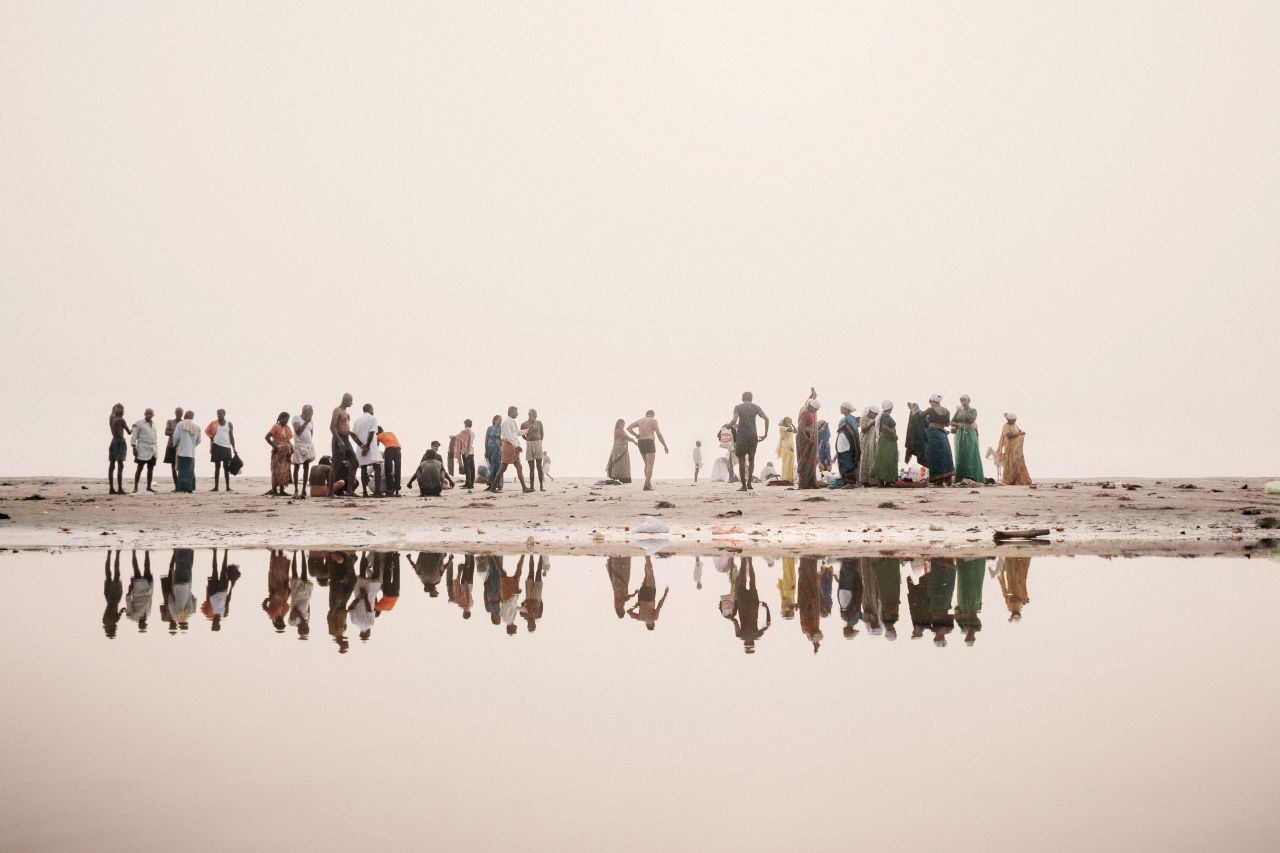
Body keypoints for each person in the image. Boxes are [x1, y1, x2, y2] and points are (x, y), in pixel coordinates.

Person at [725, 556, 771, 654]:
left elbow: (768, 624)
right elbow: (735, 622)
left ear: (753, 644)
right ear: (745, 644)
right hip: (742, 606)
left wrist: (766, 608)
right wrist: (730, 617)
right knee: (742, 582)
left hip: (753, 606)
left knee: (753, 583)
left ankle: (750, 561)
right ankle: (743, 560)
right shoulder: (740, 635)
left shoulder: (757, 635)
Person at [728, 392, 770, 489]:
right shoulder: (756, 407)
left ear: (742, 398)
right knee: (752, 459)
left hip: (742, 435)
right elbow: (766, 419)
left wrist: (728, 425)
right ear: (751, 398)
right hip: (753, 435)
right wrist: (765, 435)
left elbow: (734, 421)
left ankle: (743, 486)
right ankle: (749, 483)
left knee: (741, 460)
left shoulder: (738, 407)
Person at [488, 406, 531, 493]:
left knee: (511, 467)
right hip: (509, 446)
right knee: (505, 467)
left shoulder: (511, 421)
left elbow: (516, 433)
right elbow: (508, 436)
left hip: (512, 446)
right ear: (510, 412)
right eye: (516, 412)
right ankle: (524, 488)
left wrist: (527, 430)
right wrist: (516, 446)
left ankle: (524, 488)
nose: (517, 414)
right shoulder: (507, 422)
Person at [626, 410, 669, 491]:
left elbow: (628, 428)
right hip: (649, 441)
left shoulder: (640, 420)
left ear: (646, 414)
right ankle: (646, 485)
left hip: (641, 442)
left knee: (646, 464)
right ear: (653, 415)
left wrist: (636, 435)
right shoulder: (653, 421)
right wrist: (665, 445)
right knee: (650, 465)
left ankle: (648, 484)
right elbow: (659, 434)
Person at [626, 555, 669, 630]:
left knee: (650, 574)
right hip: (642, 597)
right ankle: (646, 557)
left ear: (653, 624)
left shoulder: (654, 618)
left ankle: (647, 556)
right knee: (647, 575)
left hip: (650, 596)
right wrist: (636, 605)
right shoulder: (640, 618)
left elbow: (659, 605)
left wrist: (665, 594)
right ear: (646, 624)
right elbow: (629, 611)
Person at [350, 403, 383, 496]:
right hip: (371, 446)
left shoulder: (357, 421)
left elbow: (353, 435)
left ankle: (364, 492)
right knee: (377, 467)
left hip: (361, 448)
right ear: (371, 409)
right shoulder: (373, 418)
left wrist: (361, 445)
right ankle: (377, 491)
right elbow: (372, 432)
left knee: (363, 468)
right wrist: (368, 445)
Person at [951, 395, 984, 483]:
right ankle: (961, 477)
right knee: (961, 454)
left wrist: (966, 410)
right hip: (960, 434)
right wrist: (958, 425)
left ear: (969, 400)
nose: (963, 402)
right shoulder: (958, 411)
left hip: (969, 434)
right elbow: (951, 421)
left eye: (964, 400)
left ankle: (973, 476)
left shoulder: (973, 410)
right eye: (961, 401)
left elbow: (972, 419)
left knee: (970, 453)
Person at [924, 394, 955, 486]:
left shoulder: (930, 410)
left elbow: (919, 415)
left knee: (934, 455)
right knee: (946, 454)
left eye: (931, 402)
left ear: (933, 401)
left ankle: (938, 480)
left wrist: (915, 410)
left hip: (933, 433)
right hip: (942, 433)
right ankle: (948, 479)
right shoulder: (947, 411)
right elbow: (947, 424)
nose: (930, 404)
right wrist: (941, 425)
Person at [995, 413, 1033, 485]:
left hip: (1016, 449)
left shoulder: (1015, 425)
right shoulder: (1005, 426)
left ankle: (1017, 479)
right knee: (1010, 463)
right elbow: (1009, 436)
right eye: (1013, 420)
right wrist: (1018, 434)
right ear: (1009, 420)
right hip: (1009, 448)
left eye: (1015, 420)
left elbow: (1019, 431)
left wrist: (1021, 432)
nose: (1014, 422)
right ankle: (1009, 479)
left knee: (1017, 462)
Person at [205, 409, 237, 492]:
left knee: (226, 468)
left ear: (224, 414)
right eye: (217, 414)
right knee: (217, 467)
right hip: (216, 446)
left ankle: (227, 487)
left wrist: (234, 448)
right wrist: (211, 437)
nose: (218, 415)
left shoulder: (229, 424)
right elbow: (206, 430)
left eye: (220, 414)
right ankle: (216, 487)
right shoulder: (214, 423)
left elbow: (231, 436)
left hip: (226, 447)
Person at [170, 410, 202, 492]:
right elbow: (199, 441)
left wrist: (176, 444)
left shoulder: (180, 424)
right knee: (190, 470)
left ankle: (182, 488)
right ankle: (190, 487)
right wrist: (193, 446)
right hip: (191, 452)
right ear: (193, 417)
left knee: (182, 471)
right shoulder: (197, 427)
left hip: (182, 451)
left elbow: (176, 437)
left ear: (184, 416)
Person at [870, 401, 899, 486]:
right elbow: (884, 427)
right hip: (887, 439)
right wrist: (894, 434)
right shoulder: (885, 415)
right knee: (887, 459)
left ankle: (884, 481)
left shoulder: (883, 415)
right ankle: (886, 481)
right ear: (890, 407)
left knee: (884, 458)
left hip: (887, 439)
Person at [263, 412, 293, 496]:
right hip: (278, 453)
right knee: (276, 470)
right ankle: (274, 490)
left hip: (285, 454)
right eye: (285, 419)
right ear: (280, 418)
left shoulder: (287, 427)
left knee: (284, 471)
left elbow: (287, 440)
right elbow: (267, 437)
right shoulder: (276, 426)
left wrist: (292, 448)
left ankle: (282, 491)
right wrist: (275, 446)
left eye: (287, 419)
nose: (286, 421)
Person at [796, 389, 820, 489]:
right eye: (814, 410)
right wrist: (808, 440)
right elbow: (800, 428)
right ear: (810, 407)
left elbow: (808, 400)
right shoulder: (805, 413)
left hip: (809, 438)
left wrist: (812, 396)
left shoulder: (808, 406)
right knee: (805, 461)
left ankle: (811, 482)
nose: (815, 412)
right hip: (804, 439)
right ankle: (804, 483)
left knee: (812, 461)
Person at [290, 405, 317, 499]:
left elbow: (311, 432)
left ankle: (304, 490)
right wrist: (306, 422)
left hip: (308, 446)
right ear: (305, 411)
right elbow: (297, 432)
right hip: (298, 445)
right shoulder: (296, 418)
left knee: (306, 466)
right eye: (311, 411)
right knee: (296, 466)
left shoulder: (311, 421)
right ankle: (296, 489)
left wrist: (308, 441)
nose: (312, 413)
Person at [130, 408, 158, 493]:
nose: (148, 415)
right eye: (147, 413)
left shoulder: (154, 424)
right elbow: (134, 436)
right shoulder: (139, 423)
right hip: (142, 447)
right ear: (144, 414)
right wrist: (134, 447)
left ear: (153, 415)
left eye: (150, 413)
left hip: (153, 448)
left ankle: (149, 487)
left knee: (150, 468)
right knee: (140, 468)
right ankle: (135, 487)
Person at [834, 402, 860, 487]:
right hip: (843, 443)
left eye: (841, 408)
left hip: (847, 443)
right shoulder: (847, 418)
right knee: (843, 460)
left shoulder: (850, 418)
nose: (840, 409)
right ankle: (846, 482)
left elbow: (854, 432)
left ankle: (850, 482)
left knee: (847, 461)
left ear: (846, 409)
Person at [107, 403, 130, 494]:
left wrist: (114, 407)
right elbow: (129, 432)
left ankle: (111, 488)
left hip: (113, 441)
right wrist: (134, 428)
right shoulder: (121, 420)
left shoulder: (111, 419)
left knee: (112, 465)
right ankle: (120, 488)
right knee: (120, 465)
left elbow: (112, 413)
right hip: (120, 442)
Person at [522, 409, 547, 492]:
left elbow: (542, 434)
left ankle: (541, 486)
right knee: (531, 467)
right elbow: (523, 435)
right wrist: (529, 439)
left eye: (536, 414)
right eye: (534, 414)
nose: (536, 416)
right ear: (529, 414)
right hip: (529, 444)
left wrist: (537, 440)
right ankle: (532, 486)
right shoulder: (524, 424)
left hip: (538, 443)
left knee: (539, 466)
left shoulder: (539, 423)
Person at [102, 550, 124, 638]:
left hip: (115, 598)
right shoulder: (104, 621)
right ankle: (109, 553)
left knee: (117, 575)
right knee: (108, 574)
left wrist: (125, 610)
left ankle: (118, 553)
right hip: (107, 597)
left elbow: (121, 610)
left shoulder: (114, 621)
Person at [903, 402, 929, 472]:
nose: (910, 408)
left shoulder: (920, 413)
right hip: (913, 438)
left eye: (911, 407)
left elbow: (927, 423)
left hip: (920, 437)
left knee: (922, 455)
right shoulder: (911, 415)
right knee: (918, 454)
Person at [606, 418, 635, 483]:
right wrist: (633, 440)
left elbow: (627, 437)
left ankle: (624, 478)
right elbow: (626, 437)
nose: (623, 426)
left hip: (623, 450)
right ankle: (616, 477)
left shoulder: (622, 431)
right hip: (618, 450)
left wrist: (634, 441)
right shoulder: (617, 431)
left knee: (624, 463)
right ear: (618, 424)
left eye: (623, 425)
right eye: (622, 424)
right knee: (618, 463)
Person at [377, 426, 402, 496]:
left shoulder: (378, 436)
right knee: (398, 470)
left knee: (388, 470)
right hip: (398, 449)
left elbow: (376, 447)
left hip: (389, 449)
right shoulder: (391, 433)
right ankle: (397, 490)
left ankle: (390, 489)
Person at [163, 406, 183, 490]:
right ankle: (176, 486)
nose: (178, 413)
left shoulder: (184, 423)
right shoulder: (170, 422)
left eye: (180, 412)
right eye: (177, 412)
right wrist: (177, 433)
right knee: (173, 467)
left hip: (181, 447)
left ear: (182, 413)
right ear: (175, 413)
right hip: (171, 446)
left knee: (181, 467)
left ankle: (182, 485)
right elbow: (166, 432)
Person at [858, 405, 879, 486]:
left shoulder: (874, 419)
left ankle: (872, 481)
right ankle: (865, 481)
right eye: (874, 414)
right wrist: (871, 423)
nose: (875, 415)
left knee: (871, 459)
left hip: (872, 442)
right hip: (865, 441)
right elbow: (863, 429)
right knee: (865, 459)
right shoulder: (864, 418)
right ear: (869, 412)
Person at [484, 415, 504, 490]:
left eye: (501, 420)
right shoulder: (489, 428)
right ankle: (491, 484)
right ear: (494, 420)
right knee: (490, 467)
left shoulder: (501, 429)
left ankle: (499, 485)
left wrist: (498, 436)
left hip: (498, 449)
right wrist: (486, 451)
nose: (500, 421)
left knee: (498, 466)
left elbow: (503, 440)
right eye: (499, 419)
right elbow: (486, 440)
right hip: (490, 449)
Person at [456, 419, 476, 489]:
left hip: (465, 451)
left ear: (466, 424)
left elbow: (457, 436)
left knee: (467, 468)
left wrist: (452, 436)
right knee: (472, 468)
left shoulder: (465, 431)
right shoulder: (473, 432)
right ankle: (471, 483)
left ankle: (468, 484)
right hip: (471, 451)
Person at [776, 417, 796, 483]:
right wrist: (789, 424)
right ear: (784, 422)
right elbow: (790, 430)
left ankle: (790, 479)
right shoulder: (782, 427)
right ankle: (785, 478)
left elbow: (796, 431)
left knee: (791, 463)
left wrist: (792, 424)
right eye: (788, 421)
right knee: (786, 463)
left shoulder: (789, 427)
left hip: (791, 447)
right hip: (785, 447)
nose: (789, 422)